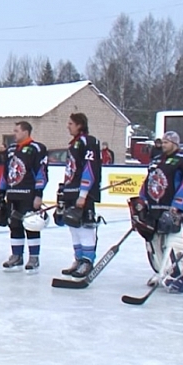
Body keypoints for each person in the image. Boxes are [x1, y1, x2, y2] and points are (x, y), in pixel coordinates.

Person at [130, 131, 183, 293]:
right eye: (162, 142)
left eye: (166, 142)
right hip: (153, 207)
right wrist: (142, 200)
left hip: (170, 208)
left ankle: (174, 274)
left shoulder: (182, 160)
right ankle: (160, 271)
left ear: (175, 144)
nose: (163, 145)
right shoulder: (155, 160)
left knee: (173, 243)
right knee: (154, 241)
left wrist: (178, 205)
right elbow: (148, 181)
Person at [0, 121, 48, 273]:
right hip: (13, 194)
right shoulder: (11, 149)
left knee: (31, 225)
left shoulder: (37, 148)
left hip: (28, 194)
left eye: (17, 131)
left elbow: (42, 172)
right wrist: (1, 192)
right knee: (14, 225)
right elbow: (7, 172)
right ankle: (16, 256)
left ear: (26, 132)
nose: (14, 134)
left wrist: (38, 194)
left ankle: (34, 257)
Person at [57, 113, 102, 278]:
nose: (68, 126)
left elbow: (89, 168)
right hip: (71, 191)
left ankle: (87, 261)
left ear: (80, 125)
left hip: (82, 194)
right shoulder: (74, 144)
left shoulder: (88, 142)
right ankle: (78, 259)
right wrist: (63, 190)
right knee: (73, 226)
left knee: (85, 227)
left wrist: (83, 193)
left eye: (70, 123)